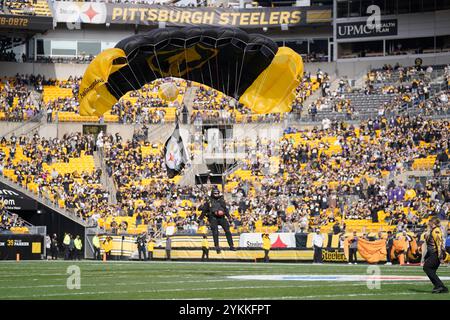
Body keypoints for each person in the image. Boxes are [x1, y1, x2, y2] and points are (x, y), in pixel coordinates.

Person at [199, 188, 236, 253]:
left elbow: (225, 209)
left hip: (221, 217)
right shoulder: (209, 201)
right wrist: (200, 218)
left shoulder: (221, 200)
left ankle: (231, 245)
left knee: (227, 230)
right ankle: (217, 246)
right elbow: (204, 210)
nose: (217, 195)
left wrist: (229, 218)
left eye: (218, 193)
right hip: (213, 217)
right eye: (215, 193)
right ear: (212, 194)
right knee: (215, 232)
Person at [423, 217, 448, 293]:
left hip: (436, 253)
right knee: (431, 270)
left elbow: (439, 244)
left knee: (427, 268)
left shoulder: (436, 230)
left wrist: (440, 257)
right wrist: (426, 256)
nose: (428, 223)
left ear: (432, 223)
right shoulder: (433, 230)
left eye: (430, 221)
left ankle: (439, 286)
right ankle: (441, 287)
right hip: (434, 254)